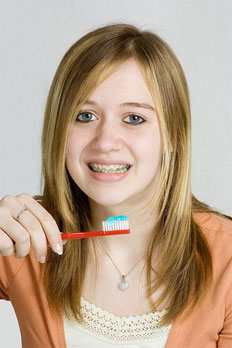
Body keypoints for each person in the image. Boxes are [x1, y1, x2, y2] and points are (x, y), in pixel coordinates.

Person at [0, 22, 232, 348]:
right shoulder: (24, 240)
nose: (106, 141)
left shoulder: (227, 259)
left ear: (174, 136)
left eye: (134, 118)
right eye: (85, 116)